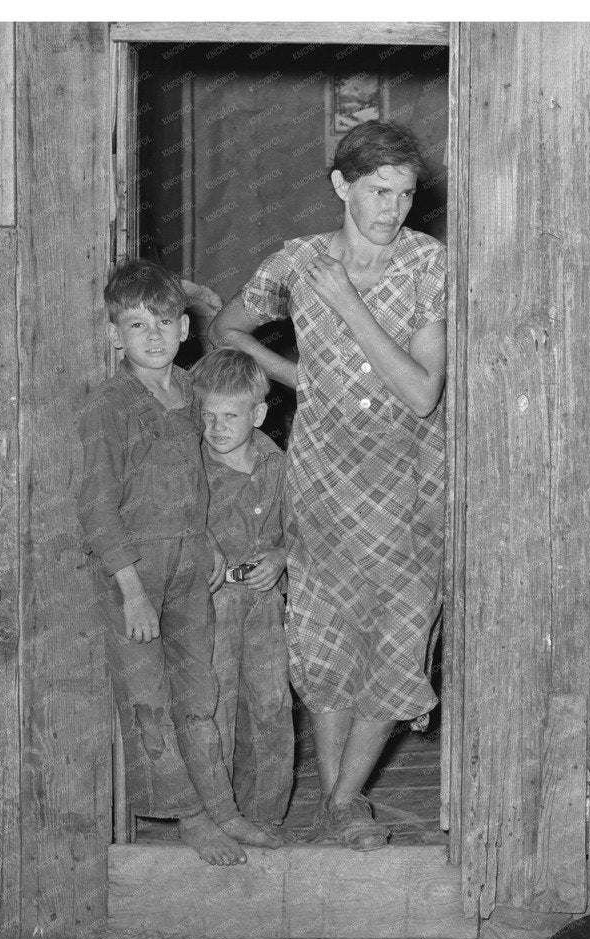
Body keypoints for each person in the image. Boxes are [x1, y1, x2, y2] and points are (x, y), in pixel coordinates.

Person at [206, 120, 447, 850]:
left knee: (398, 637)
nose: (392, 209)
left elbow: (422, 392)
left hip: (409, 481)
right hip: (325, 477)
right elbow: (225, 329)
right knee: (326, 633)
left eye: (405, 194)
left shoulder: (429, 265)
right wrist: (296, 377)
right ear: (343, 185)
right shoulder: (297, 262)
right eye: (379, 191)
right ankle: (336, 803)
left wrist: (348, 305)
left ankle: (346, 797)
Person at [76, 259, 280, 866]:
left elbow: (205, 476)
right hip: (137, 571)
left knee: (200, 693)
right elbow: (95, 507)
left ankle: (222, 808)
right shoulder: (109, 407)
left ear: (184, 329)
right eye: (138, 325)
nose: (155, 335)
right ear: (116, 334)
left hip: (195, 562)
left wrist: (212, 539)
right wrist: (131, 588)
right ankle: (191, 817)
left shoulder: (193, 393)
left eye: (166, 321)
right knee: (150, 698)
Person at [195, 347, 295, 836]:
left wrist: (280, 558)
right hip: (211, 604)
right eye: (207, 415)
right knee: (216, 707)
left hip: (264, 606)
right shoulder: (190, 470)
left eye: (229, 416)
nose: (216, 428)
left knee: (272, 704)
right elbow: (173, 521)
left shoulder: (279, 465)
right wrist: (202, 540)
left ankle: (266, 815)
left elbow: (300, 530)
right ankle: (219, 815)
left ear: (257, 414)